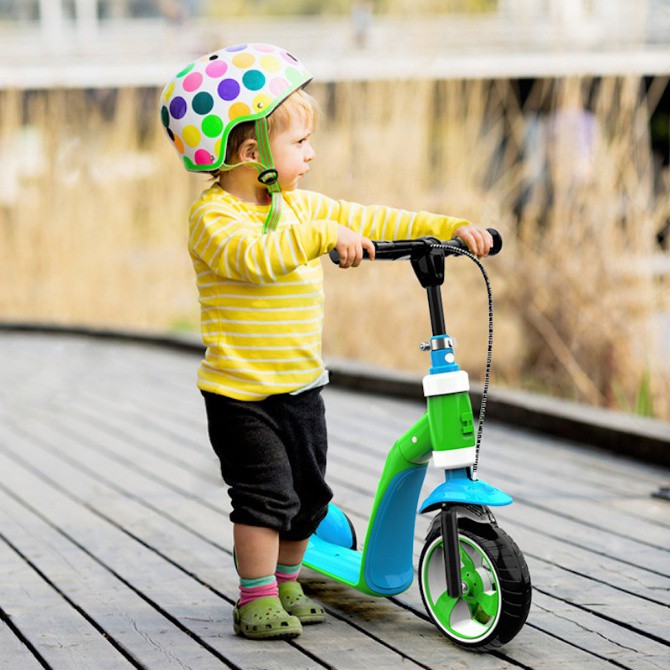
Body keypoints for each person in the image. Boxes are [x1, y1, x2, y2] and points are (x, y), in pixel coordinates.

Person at [160, 43, 493, 641]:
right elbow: (252, 259)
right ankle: (256, 596)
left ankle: (288, 581)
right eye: (300, 142)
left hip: (301, 386)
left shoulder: (301, 207)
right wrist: (320, 236)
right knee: (265, 496)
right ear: (253, 153)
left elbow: (373, 219)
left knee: (307, 498)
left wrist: (445, 228)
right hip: (241, 395)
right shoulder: (214, 218)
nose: (311, 153)